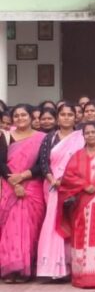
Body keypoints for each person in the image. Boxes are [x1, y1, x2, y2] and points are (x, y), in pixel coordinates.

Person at [56, 123, 95, 289]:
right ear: (83, 136)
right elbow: (68, 177)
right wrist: (85, 185)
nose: (91, 135)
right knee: (81, 234)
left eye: (94, 132)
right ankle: (82, 275)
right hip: (81, 200)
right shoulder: (77, 156)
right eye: (87, 133)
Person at [36, 104, 84, 280]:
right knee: (53, 223)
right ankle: (54, 268)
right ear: (57, 118)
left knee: (74, 223)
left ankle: (75, 266)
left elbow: (86, 159)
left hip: (76, 186)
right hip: (53, 186)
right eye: (63, 114)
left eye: (70, 114)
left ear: (75, 118)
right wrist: (52, 179)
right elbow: (43, 162)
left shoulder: (82, 137)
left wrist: (69, 180)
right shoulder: (49, 138)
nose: (66, 117)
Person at [0, 105, 46, 282]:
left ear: (31, 117)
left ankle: (25, 269)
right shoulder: (5, 136)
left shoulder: (42, 137)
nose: (20, 118)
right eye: (16, 116)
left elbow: (43, 164)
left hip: (32, 187)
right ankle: (10, 269)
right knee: (10, 229)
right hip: (9, 186)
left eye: (23, 115)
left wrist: (23, 176)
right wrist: (14, 182)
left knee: (29, 230)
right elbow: (1, 162)